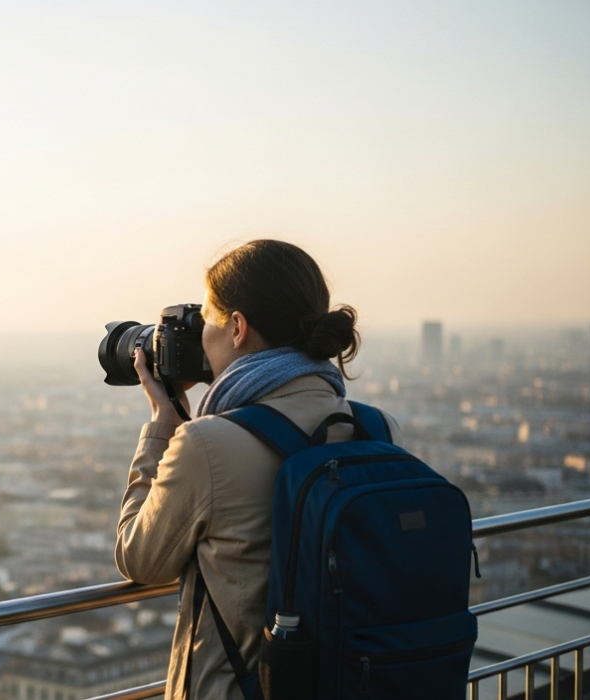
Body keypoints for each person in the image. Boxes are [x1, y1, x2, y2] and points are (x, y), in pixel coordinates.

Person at [114, 239, 398, 700]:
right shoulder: (378, 429)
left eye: (206, 322)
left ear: (238, 328)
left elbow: (139, 558)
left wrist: (161, 426)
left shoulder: (208, 443)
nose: (200, 338)